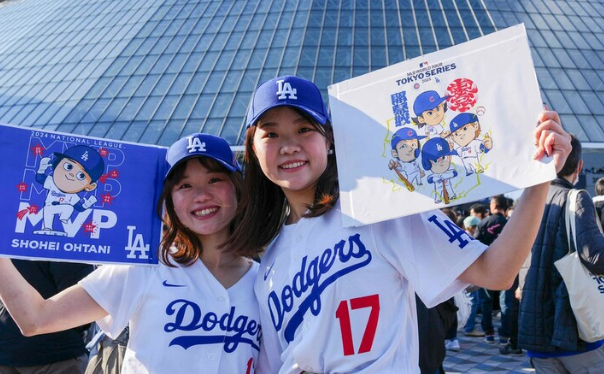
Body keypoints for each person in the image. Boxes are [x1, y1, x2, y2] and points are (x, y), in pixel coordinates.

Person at [226, 75, 571, 373]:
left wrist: (540, 178)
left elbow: (495, 272)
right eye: (271, 134)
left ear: (329, 140)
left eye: (304, 129)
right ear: (253, 148)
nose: (289, 146)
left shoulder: (379, 207)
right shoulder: (269, 261)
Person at [0, 133, 260, 374]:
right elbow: (36, 319)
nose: (201, 195)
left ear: (238, 187)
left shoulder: (265, 280)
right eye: (185, 186)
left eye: (215, 180)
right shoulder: (145, 266)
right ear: (168, 199)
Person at [519, 134, 604, 372]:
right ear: (579, 166)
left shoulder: (528, 200)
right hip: (572, 327)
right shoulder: (576, 197)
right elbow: (595, 257)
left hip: (534, 327)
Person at [0, 260, 94, 374]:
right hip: (54, 352)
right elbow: (81, 304)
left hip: (6, 347)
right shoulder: (65, 251)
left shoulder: (6, 249)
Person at [474, 194, 509, 343]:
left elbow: (474, 245)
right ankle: (505, 335)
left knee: (486, 302)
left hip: (486, 266)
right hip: (508, 266)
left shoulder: (483, 223)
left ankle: (488, 333)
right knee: (506, 303)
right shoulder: (511, 223)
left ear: (493, 206)